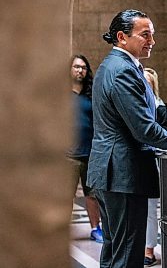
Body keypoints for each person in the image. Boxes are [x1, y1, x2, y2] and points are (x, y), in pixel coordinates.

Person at [87, 9, 167, 268]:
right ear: (122, 37)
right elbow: (143, 129)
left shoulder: (114, 65)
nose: (152, 41)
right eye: (145, 35)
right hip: (123, 174)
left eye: (152, 34)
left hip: (112, 172)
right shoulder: (123, 70)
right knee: (127, 256)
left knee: (114, 251)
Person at [143, 68, 167, 267]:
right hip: (141, 163)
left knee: (160, 208)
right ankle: (147, 248)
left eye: (148, 82)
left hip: (161, 163)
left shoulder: (161, 108)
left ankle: (153, 249)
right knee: (147, 210)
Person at [67, 54, 102, 243]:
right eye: (76, 67)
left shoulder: (91, 94)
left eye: (83, 67)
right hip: (68, 155)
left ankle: (96, 228)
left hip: (91, 152)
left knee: (93, 195)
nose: (80, 70)